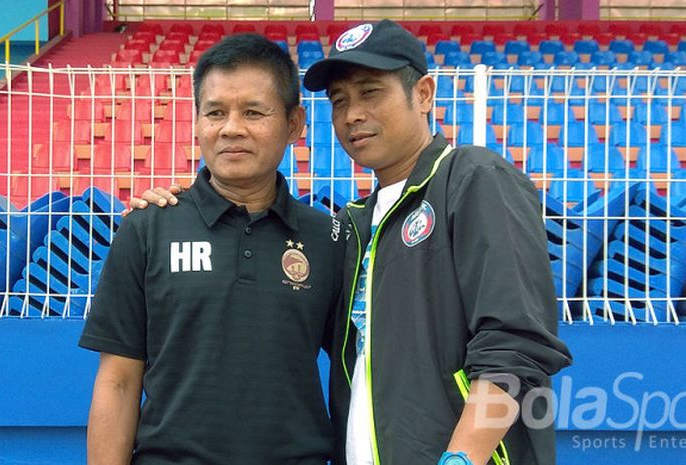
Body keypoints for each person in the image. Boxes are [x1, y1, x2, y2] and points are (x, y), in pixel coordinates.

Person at [131, 20, 572, 465]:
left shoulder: (472, 179)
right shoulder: (352, 226)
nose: (352, 114)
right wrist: (188, 209)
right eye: (340, 101)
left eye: (370, 93)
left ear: (423, 94)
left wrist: (464, 456)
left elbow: (516, 344)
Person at [79, 34, 350, 465]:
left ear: (294, 124)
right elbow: (118, 381)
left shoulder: (331, 237)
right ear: (197, 121)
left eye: (253, 112)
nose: (231, 128)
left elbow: (358, 370)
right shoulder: (148, 228)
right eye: (216, 112)